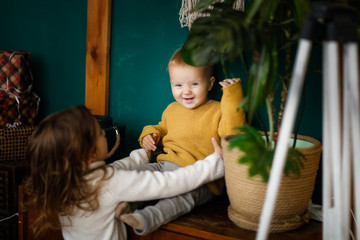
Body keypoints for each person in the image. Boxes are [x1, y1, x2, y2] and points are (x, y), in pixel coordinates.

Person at [22, 105, 224, 240]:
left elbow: (116, 168)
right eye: (100, 134)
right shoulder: (108, 183)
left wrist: (143, 155)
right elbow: (169, 182)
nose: (104, 135)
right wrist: (214, 162)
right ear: (87, 152)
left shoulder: (66, 182)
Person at [119, 49, 246, 235]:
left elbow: (232, 132)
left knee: (183, 199)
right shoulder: (171, 109)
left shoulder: (218, 110)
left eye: (194, 84)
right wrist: (149, 135)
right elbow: (160, 128)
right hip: (165, 167)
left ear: (210, 83)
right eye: (178, 85)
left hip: (201, 177)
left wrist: (232, 96)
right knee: (138, 175)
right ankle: (125, 204)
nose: (186, 91)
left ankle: (147, 218)